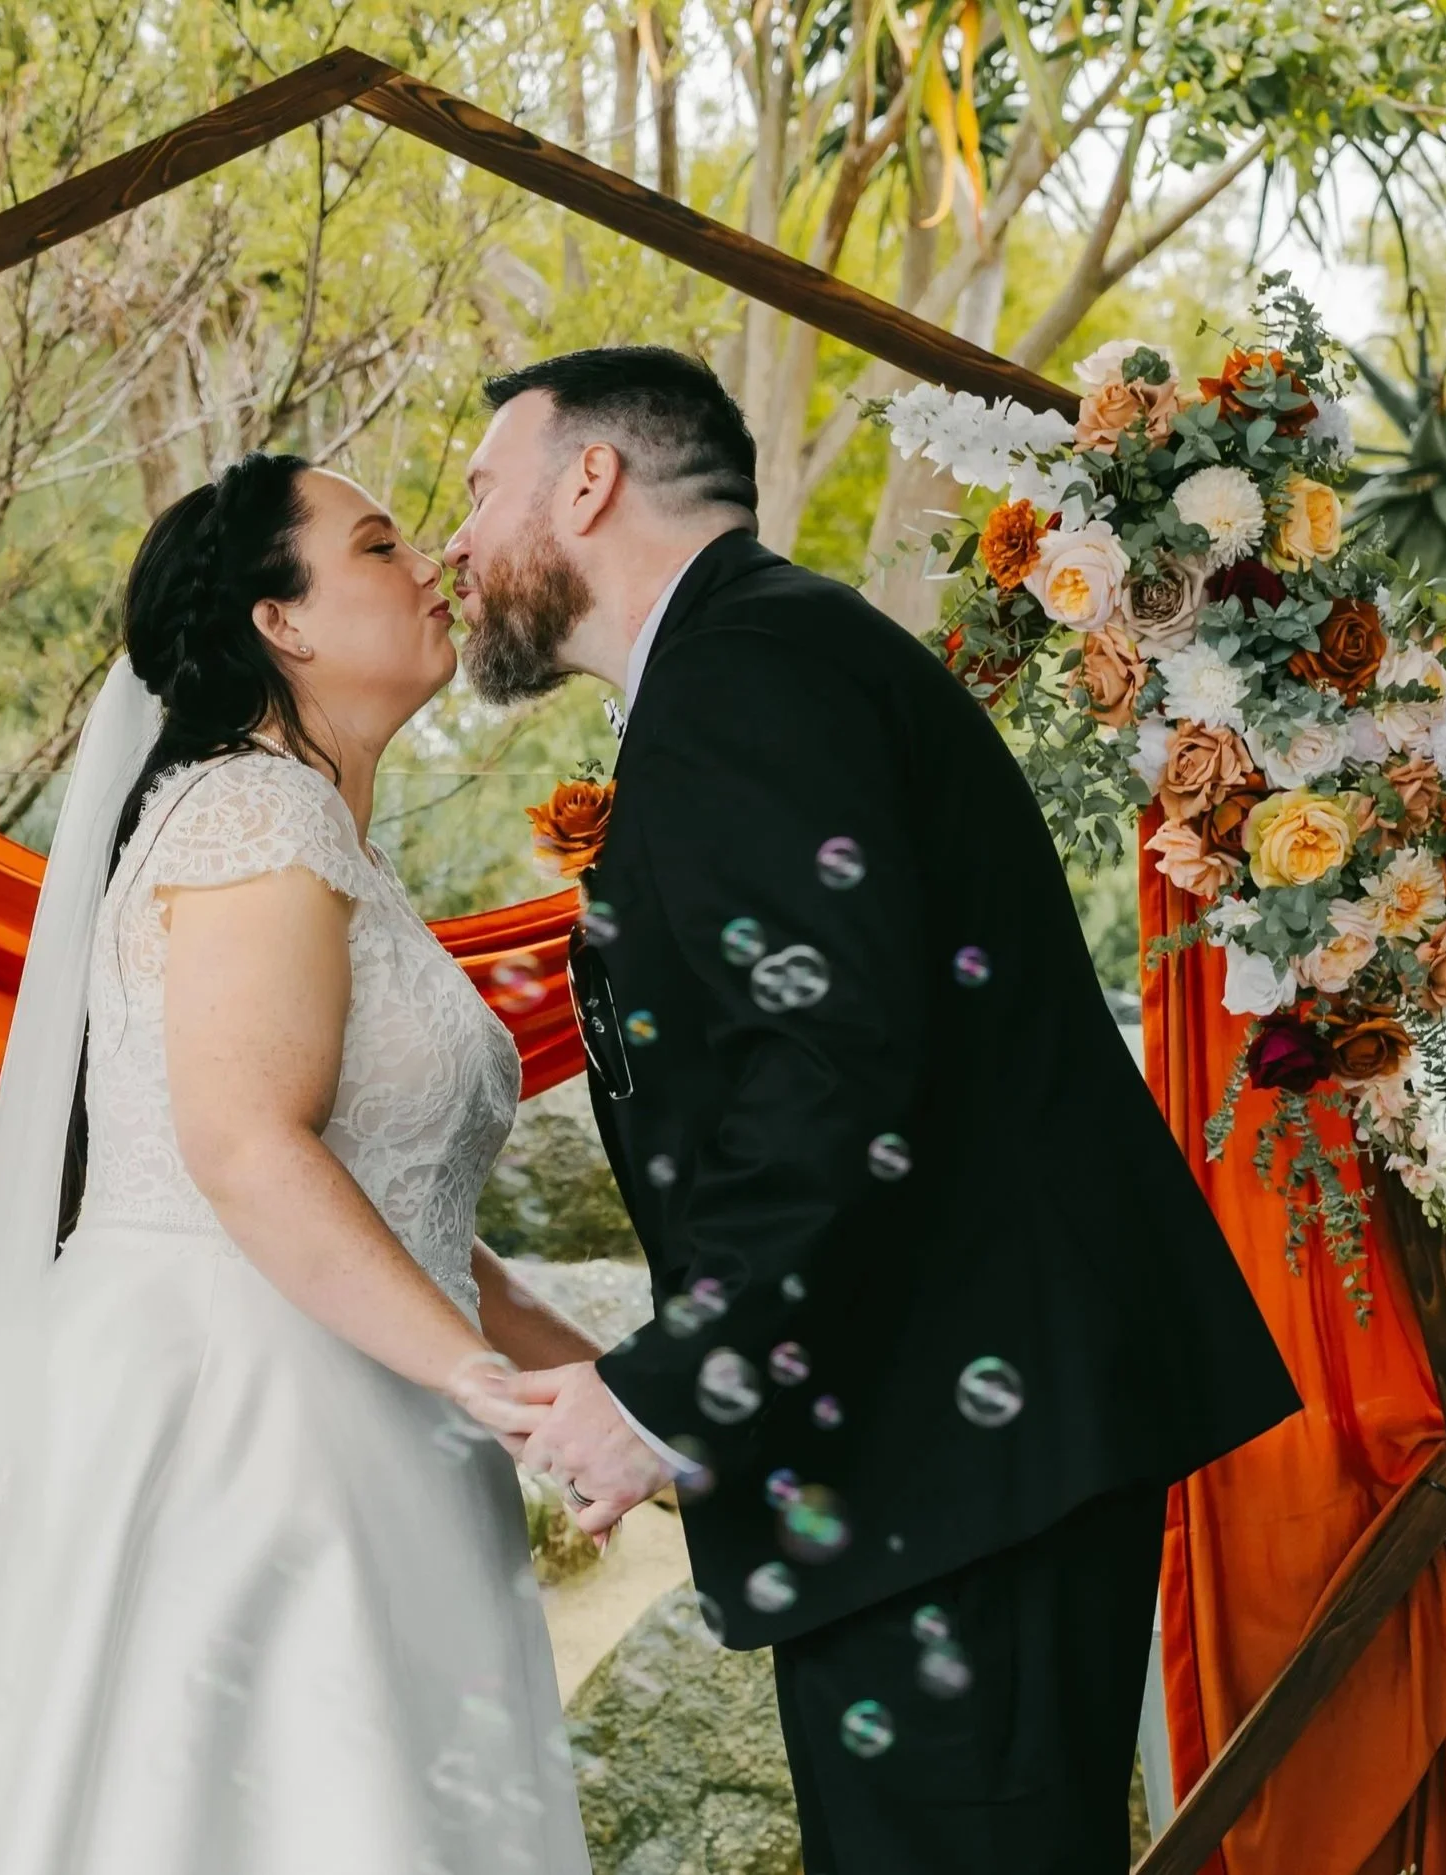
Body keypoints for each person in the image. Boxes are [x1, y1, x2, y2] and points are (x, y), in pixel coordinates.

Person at [444, 346, 1302, 1875]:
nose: (457, 540)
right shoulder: (762, 658)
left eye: (478, 489)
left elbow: (834, 1074)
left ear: (591, 481)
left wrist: (666, 1391)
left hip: (960, 1448)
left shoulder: (747, 676)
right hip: (948, 1437)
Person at [0, 454, 599, 1874]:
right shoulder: (259, 816)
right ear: (280, 621)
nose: (429, 563)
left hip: (365, 1410)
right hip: (250, 1431)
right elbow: (244, 1148)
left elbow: (405, 1211)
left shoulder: (319, 836)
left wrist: (595, 1385)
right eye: (377, 544)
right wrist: (481, 1383)